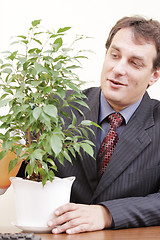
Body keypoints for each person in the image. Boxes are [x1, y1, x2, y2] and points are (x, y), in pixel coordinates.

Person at [18, 15, 160, 234]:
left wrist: (107, 213)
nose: (118, 69)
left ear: (154, 75)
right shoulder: (56, 108)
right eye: (115, 55)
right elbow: (23, 172)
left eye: (135, 63)